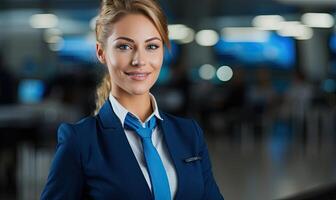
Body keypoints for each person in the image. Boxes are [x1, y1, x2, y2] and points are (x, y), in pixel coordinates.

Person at [40, 0, 224, 199]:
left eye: (152, 46)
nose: (139, 60)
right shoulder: (80, 142)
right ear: (101, 52)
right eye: (125, 46)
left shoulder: (189, 134)